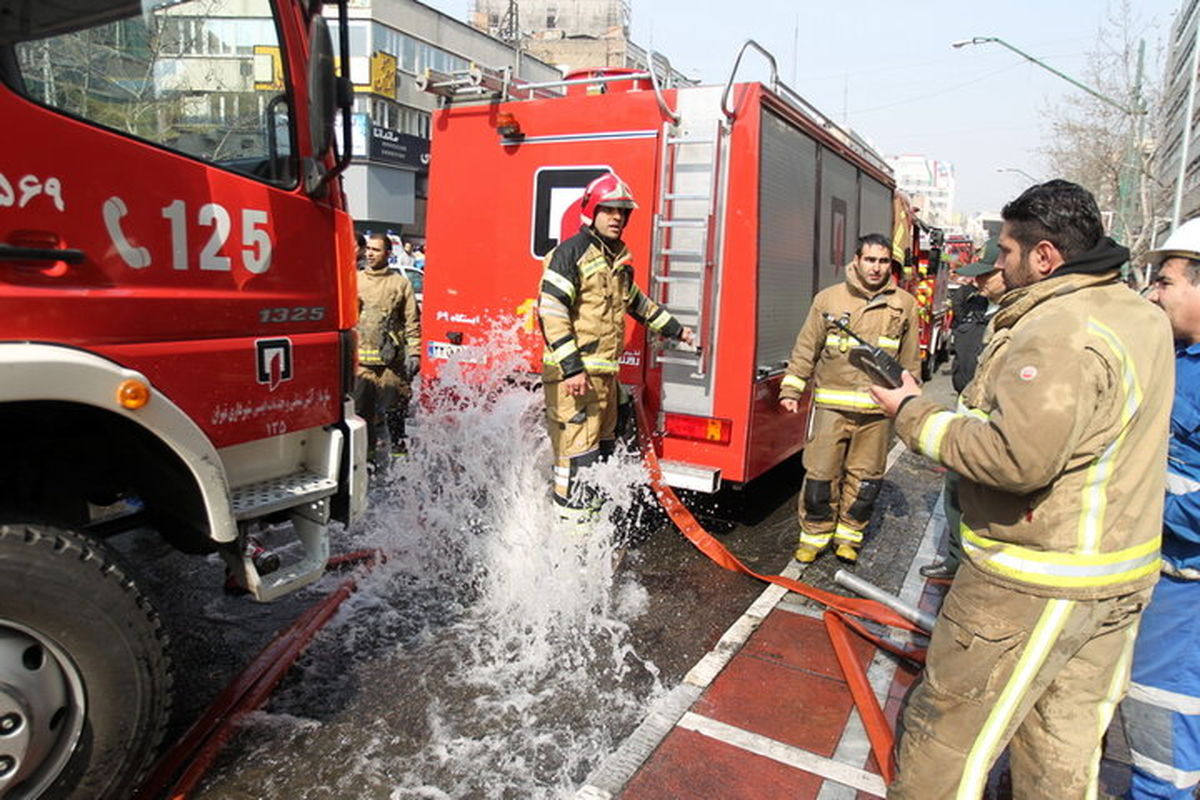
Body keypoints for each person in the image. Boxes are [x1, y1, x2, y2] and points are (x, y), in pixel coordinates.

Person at [870, 179, 1174, 800]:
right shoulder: (1141, 315)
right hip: (1114, 581)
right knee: (1059, 755)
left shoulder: (1059, 329)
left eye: (1006, 252)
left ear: (1044, 257)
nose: (998, 266)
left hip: (1032, 582)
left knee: (945, 742)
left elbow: (1016, 457)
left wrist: (911, 411)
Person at [536, 171, 693, 527]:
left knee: (598, 455)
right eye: (610, 210)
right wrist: (573, 368)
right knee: (575, 460)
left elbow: (641, 306)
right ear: (592, 211)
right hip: (573, 381)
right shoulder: (570, 254)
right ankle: (568, 535)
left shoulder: (617, 262)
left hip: (604, 381)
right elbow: (551, 312)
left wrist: (678, 330)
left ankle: (588, 528)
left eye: (623, 212)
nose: (617, 218)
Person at [778, 233, 921, 564]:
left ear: (890, 265)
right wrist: (791, 389)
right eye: (870, 259)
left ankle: (849, 537)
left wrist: (911, 408)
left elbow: (911, 360)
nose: (876, 267)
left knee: (866, 480)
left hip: (877, 411)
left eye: (883, 261)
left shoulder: (904, 304)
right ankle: (813, 538)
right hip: (831, 407)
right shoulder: (828, 300)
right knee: (819, 475)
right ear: (856, 260)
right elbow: (806, 347)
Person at [1120, 217, 1200, 800]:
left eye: (1166, 282)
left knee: (1162, 717)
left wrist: (1128, 501)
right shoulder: (1184, 359)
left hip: (1185, 589)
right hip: (1165, 569)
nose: (1154, 293)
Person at [919, 237, 1004, 580]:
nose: (977, 281)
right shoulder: (973, 306)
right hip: (965, 409)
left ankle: (977, 566)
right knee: (954, 490)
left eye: (986, 275)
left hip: (994, 421)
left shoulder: (1019, 319)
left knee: (986, 502)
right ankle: (955, 559)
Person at [355, 233, 421, 464]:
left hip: (392, 364)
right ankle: (368, 459)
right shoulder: (355, 280)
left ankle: (400, 458)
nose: (370, 253)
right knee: (362, 415)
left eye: (376, 249)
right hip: (362, 365)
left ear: (388, 254)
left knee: (395, 412)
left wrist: (414, 353)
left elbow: (412, 321)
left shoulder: (400, 284)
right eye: (368, 249)